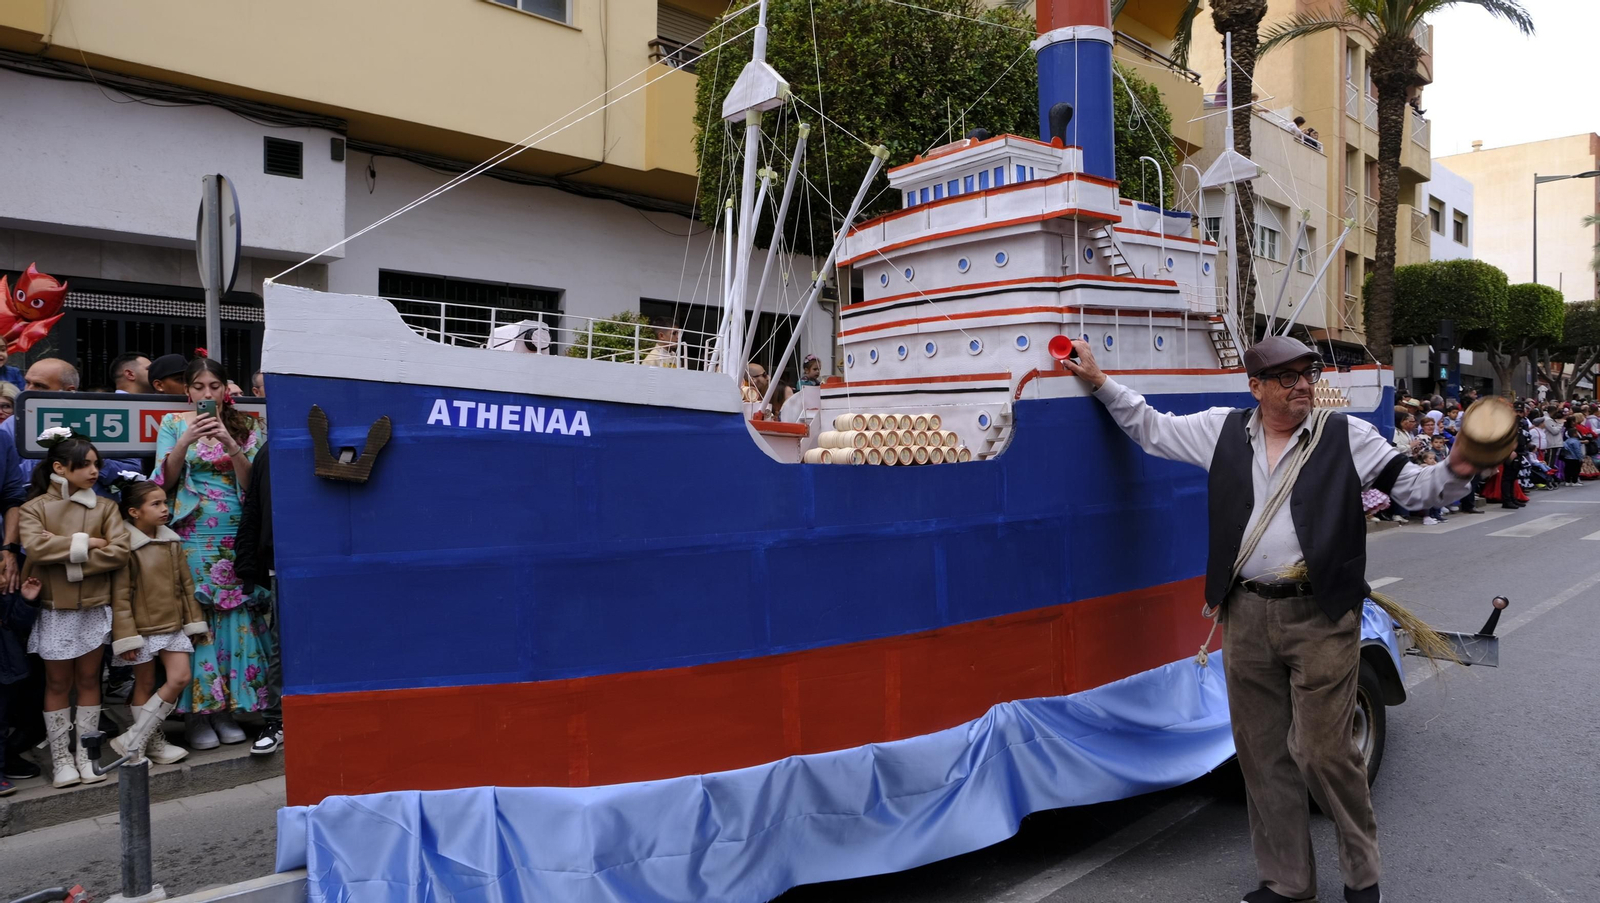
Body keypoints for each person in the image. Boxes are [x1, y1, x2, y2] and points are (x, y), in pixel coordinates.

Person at [1063, 335, 1474, 903]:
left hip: (1321, 613)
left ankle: (1362, 875)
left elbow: (1418, 489)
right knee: (1260, 752)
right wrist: (1099, 379)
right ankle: (1287, 882)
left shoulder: (1348, 435)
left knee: (1323, 751)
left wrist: (1463, 464)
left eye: (1307, 373)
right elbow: (1150, 427)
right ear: (1255, 387)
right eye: (1287, 377)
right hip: (1246, 611)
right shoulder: (1221, 431)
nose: (1303, 384)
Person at [153, 358, 272, 750]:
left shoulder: (249, 425)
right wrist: (186, 441)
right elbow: (164, 481)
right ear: (188, 391)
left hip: (236, 529)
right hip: (192, 531)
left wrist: (229, 443)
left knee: (235, 616)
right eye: (199, 387)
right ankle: (199, 716)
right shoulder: (173, 423)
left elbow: (255, 484)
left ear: (226, 390)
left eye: (214, 386)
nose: (207, 394)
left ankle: (228, 709)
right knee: (197, 616)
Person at [18, 430, 133, 788]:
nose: (94, 471)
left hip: (95, 606)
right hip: (55, 608)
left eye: (97, 464)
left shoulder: (106, 506)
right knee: (56, 682)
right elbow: (36, 549)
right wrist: (87, 543)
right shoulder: (33, 507)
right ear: (59, 467)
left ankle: (87, 755)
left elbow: (120, 551)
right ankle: (61, 758)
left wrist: (65, 550)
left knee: (88, 680)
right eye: (84, 465)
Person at [108, 479, 209, 764]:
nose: (165, 509)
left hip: (172, 625)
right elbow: (120, 595)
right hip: (141, 629)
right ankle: (148, 745)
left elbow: (186, 586)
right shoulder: (125, 546)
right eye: (156, 504)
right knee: (145, 683)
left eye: (165, 503)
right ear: (134, 512)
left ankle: (133, 740)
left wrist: (193, 622)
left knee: (180, 677)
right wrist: (125, 636)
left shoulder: (171, 541)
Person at [234, 444, 281, 756]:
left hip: (334, 557)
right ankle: (277, 720)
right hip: (285, 560)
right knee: (283, 642)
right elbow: (256, 505)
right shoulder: (272, 449)